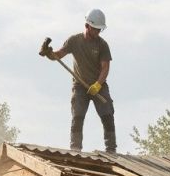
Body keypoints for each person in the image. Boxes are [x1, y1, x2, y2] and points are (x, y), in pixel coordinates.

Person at [41, 9, 116, 154]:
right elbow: (58, 55)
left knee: (107, 114)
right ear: (87, 26)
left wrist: (98, 85)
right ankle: (75, 149)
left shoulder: (102, 45)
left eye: (100, 30)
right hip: (80, 86)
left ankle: (111, 149)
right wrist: (49, 53)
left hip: (98, 84)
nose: (98, 32)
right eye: (96, 29)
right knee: (78, 115)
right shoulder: (74, 41)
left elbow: (105, 67)